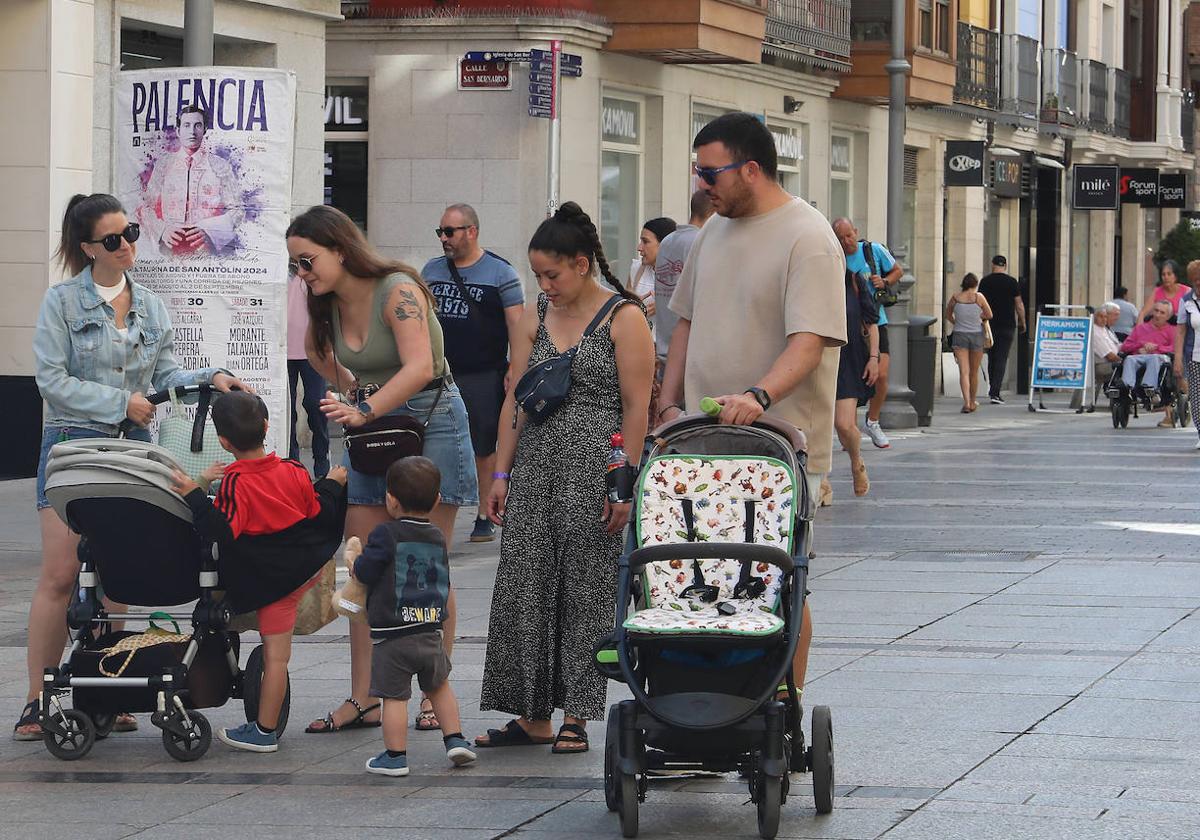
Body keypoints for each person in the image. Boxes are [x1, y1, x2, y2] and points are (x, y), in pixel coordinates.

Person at [17, 193, 246, 741]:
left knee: (115, 573)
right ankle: (35, 700)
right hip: (72, 445)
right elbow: (50, 381)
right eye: (114, 240)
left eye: (132, 232)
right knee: (60, 575)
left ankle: (108, 689)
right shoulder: (63, 303)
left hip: (131, 451)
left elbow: (165, 374)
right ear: (87, 247)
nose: (128, 246)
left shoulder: (151, 305)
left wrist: (210, 377)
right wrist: (119, 403)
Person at [658, 112, 846, 722]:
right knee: (698, 570)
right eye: (699, 171)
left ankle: (782, 702)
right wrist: (667, 402)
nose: (702, 183)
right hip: (703, 439)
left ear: (752, 169)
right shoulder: (713, 230)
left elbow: (810, 341)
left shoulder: (807, 236)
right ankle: (706, 696)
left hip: (777, 445)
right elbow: (684, 321)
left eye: (710, 172)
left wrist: (758, 397)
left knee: (779, 572)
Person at [286, 205, 477, 736]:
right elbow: (315, 355)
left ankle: (434, 693)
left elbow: (419, 366)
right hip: (372, 431)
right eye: (295, 266)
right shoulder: (323, 303)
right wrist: (353, 389)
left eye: (308, 261)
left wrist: (365, 406)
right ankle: (366, 696)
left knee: (426, 560)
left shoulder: (397, 290)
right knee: (361, 565)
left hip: (428, 421)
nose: (302, 274)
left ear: (340, 249)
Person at [476, 202, 653, 753]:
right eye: (537, 275)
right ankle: (532, 714)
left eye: (551, 274)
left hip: (594, 468)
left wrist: (623, 481)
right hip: (535, 466)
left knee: (588, 588)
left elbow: (636, 407)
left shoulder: (624, 317)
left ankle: (577, 712)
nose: (544, 285)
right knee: (525, 585)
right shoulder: (535, 318)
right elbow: (516, 399)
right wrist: (501, 471)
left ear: (581, 264)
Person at [168, 391, 349, 752]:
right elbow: (314, 510)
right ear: (267, 427)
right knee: (278, 658)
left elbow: (222, 529)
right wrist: (333, 482)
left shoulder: (235, 481)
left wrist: (192, 492)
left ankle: (263, 732)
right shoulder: (293, 469)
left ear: (222, 442)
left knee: (272, 655)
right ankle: (266, 727)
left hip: (265, 581)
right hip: (296, 574)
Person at [351, 457, 477, 776]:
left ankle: (395, 756)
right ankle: (456, 740)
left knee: (394, 697)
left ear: (390, 499)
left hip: (393, 635)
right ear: (437, 500)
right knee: (439, 688)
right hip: (430, 628)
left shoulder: (385, 534)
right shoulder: (436, 536)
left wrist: (357, 566)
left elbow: (367, 571)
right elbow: (443, 579)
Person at [421, 204, 525, 545]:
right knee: (434, 443)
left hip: (483, 373)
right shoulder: (431, 271)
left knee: (482, 445)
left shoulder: (500, 273)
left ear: (472, 231)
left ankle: (484, 513)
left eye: (449, 232)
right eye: (440, 232)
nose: (443, 239)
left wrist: (515, 367)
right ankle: (432, 512)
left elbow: (517, 325)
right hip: (438, 374)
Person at [831, 218, 901, 449]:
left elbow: (897, 271)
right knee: (852, 376)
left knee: (880, 374)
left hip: (875, 320)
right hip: (849, 325)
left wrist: (884, 281)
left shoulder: (873, 250)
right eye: (841, 238)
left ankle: (873, 420)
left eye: (849, 235)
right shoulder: (836, 257)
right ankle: (849, 430)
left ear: (856, 232)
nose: (846, 241)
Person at [139, 106, 242, 257]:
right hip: (168, 250)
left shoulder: (219, 165)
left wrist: (209, 231)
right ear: (178, 130)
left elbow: (238, 210)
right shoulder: (164, 164)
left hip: (206, 252)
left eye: (197, 125)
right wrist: (162, 230)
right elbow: (146, 207)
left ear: (205, 129)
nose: (192, 132)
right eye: (187, 125)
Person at [652, 191, 714, 375]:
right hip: (690, 356)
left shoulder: (667, 241)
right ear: (712, 214)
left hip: (665, 350)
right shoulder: (701, 242)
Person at [833, 268, 880, 496]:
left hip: (849, 360)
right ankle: (820, 483)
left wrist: (873, 358)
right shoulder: (809, 275)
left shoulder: (853, 279)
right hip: (814, 359)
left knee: (843, 424)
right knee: (814, 426)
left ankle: (856, 460)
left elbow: (871, 323)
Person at [288, 273, 330, 477]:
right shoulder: (276, 266)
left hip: (311, 349)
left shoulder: (309, 269)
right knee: (288, 409)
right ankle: (292, 463)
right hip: (281, 350)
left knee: (315, 403)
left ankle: (322, 456)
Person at [978, 255, 1026, 404]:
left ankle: (993, 388)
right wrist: (1022, 321)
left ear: (993, 265)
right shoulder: (1012, 282)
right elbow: (1019, 304)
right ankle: (995, 392)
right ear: (1005, 266)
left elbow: (978, 302)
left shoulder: (985, 282)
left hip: (989, 325)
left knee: (992, 357)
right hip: (1007, 325)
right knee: (1001, 357)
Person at [945, 274, 992, 413]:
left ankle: (966, 403)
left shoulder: (955, 298)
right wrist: (978, 317)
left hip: (959, 335)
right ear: (975, 284)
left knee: (964, 372)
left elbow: (948, 314)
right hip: (976, 335)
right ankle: (972, 401)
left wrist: (956, 322)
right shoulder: (979, 297)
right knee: (974, 372)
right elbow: (989, 315)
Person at [1120, 300, 1177, 407]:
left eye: (1162, 312)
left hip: (1160, 357)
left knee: (1154, 358)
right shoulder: (1140, 328)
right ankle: (1126, 389)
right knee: (1129, 359)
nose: (1157, 315)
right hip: (1140, 355)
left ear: (1168, 317)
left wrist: (1157, 347)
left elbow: (1174, 347)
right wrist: (1140, 345)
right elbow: (1125, 346)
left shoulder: (1172, 330)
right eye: (1156, 311)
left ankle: (1149, 387)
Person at [1071, 303, 1121, 411]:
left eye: (1105, 317)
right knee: (1125, 368)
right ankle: (1120, 404)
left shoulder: (1106, 330)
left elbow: (1117, 346)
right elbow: (1110, 356)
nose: (1104, 319)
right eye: (1100, 316)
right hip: (1101, 365)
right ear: (1094, 317)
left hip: (1111, 361)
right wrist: (1125, 360)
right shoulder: (1094, 331)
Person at [1174, 260, 1200, 448]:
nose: (1198, 282)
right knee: (1197, 398)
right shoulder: (1186, 301)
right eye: (1195, 279)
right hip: (1195, 356)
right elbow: (1181, 331)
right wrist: (1178, 359)